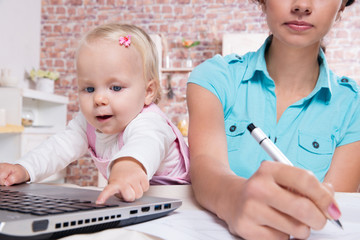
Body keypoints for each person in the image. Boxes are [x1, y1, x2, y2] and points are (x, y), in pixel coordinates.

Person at [187, 0, 359, 239]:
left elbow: (329, 214)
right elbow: (204, 166)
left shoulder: (354, 107)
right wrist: (234, 199)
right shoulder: (214, 78)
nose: (302, 5)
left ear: (341, 7)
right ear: (263, 1)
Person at [0, 23, 190, 204]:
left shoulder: (150, 121)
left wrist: (127, 166)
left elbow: (146, 144)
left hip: (178, 200)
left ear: (148, 91)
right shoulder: (87, 124)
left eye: (115, 87)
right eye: (89, 89)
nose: (99, 99)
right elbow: (57, 149)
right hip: (138, 201)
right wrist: (24, 168)